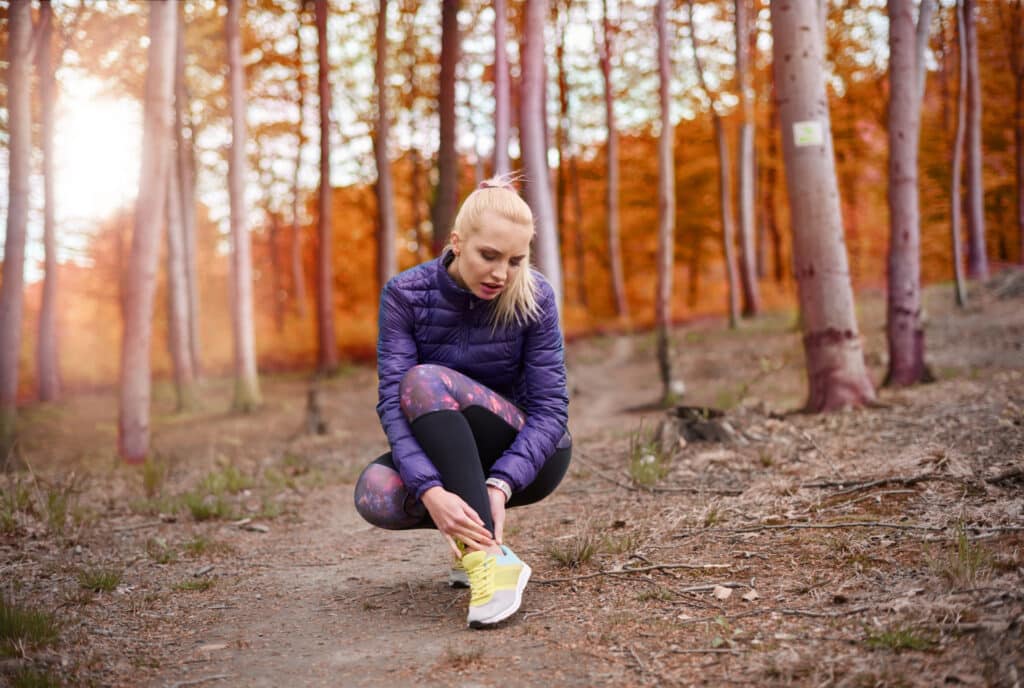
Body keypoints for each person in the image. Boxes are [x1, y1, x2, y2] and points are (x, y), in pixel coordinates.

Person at [353, 177, 571, 629]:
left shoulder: (536, 296)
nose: (501, 274)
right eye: (488, 256)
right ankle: (479, 553)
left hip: (532, 454)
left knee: (425, 380)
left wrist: (500, 484)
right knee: (376, 493)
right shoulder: (405, 295)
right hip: (450, 449)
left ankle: (489, 557)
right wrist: (431, 491)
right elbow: (394, 407)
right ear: (456, 242)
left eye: (516, 260)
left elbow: (551, 410)